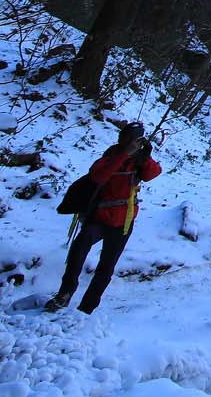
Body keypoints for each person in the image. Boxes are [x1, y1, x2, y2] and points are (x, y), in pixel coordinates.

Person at [49, 122, 162, 313]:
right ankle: (65, 293)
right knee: (78, 252)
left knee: (107, 266)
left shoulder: (139, 161)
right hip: (100, 217)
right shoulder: (110, 156)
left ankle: (87, 307)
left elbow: (153, 173)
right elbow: (99, 176)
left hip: (123, 221)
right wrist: (124, 154)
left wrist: (146, 156)